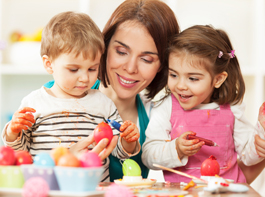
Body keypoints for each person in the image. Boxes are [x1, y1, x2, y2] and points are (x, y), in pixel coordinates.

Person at [44, 0, 180, 181]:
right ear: (104, 48)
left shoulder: (158, 119)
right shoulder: (56, 96)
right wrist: (64, 161)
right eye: (121, 51)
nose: (131, 68)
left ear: (162, 65)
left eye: (146, 59)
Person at [1, 11, 141, 182]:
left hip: (93, 190)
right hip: (50, 188)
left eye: (92, 69)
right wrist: (12, 132)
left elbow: (119, 151)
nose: (84, 78)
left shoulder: (104, 104)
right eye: (73, 69)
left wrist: (128, 140)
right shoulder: (34, 103)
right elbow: (20, 152)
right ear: (49, 64)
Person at [141, 25, 265, 183]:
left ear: (218, 79)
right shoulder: (166, 107)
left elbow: (248, 157)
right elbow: (148, 156)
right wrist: (175, 148)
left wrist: (264, 131)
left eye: (193, 78)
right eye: (174, 74)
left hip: (226, 193)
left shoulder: (231, 109)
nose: (180, 85)